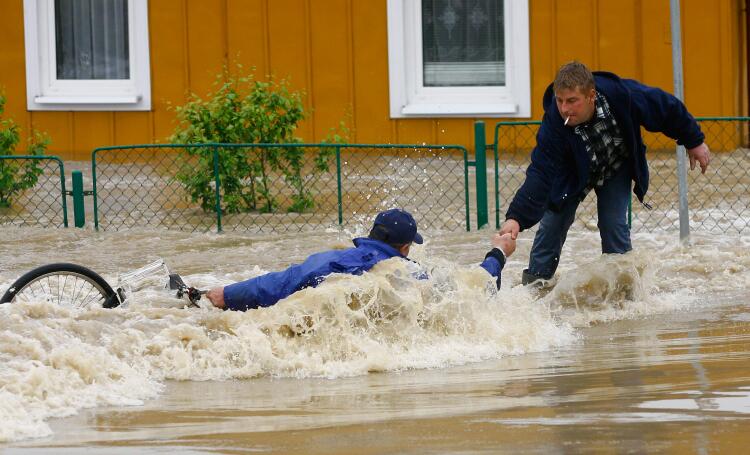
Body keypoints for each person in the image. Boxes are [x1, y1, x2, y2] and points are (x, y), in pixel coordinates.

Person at [499, 61, 711, 285]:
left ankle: (624, 291)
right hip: (572, 174)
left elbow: (666, 108)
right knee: (553, 222)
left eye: (572, 101)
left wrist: (694, 141)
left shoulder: (622, 95)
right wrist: (516, 218)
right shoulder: (555, 122)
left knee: (613, 223)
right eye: (560, 100)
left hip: (615, 166)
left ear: (591, 96)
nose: (564, 109)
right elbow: (540, 172)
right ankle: (536, 285)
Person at [206, 208, 516, 311]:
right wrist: (499, 252)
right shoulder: (409, 273)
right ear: (406, 247)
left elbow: (286, 281)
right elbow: (478, 288)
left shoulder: (340, 258)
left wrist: (227, 295)